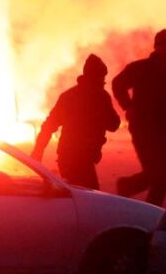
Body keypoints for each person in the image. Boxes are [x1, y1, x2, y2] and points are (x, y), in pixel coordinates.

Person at [112, 29, 166, 206]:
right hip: (141, 127)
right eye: (161, 46)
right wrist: (128, 106)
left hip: (162, 128)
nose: (165, 50)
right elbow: (118, 83)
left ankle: (149, 206)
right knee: (154, 172)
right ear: (155, 47)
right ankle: (132, 191)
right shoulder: (141, 68)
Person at [31, 54, 120, 190]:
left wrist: (38, 151)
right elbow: (114, 124)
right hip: (81, 159)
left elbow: (49, 126)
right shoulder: (101, 97)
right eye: (102, 77)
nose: (104, 81)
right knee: (89, 198)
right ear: (96, 77)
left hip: (67, 157)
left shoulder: (68, 96)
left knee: (77, 196)